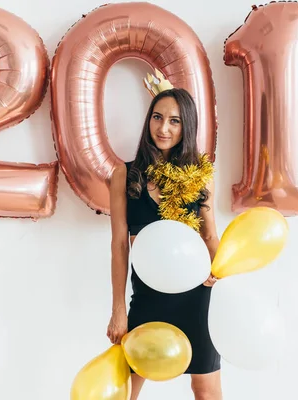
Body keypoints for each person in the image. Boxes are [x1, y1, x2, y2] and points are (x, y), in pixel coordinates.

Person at [106, 86, 223, 400]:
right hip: (147, 294)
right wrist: (119, 309)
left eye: (174, 121)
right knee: (127, 388)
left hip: (196, 295)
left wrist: (220, 271)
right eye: (157, 118)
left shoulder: (201, 176)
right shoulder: (125, 174)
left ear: (187, 127)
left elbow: (209, 235)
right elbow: (119, 244)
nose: (163, 128)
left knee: (206, 389)